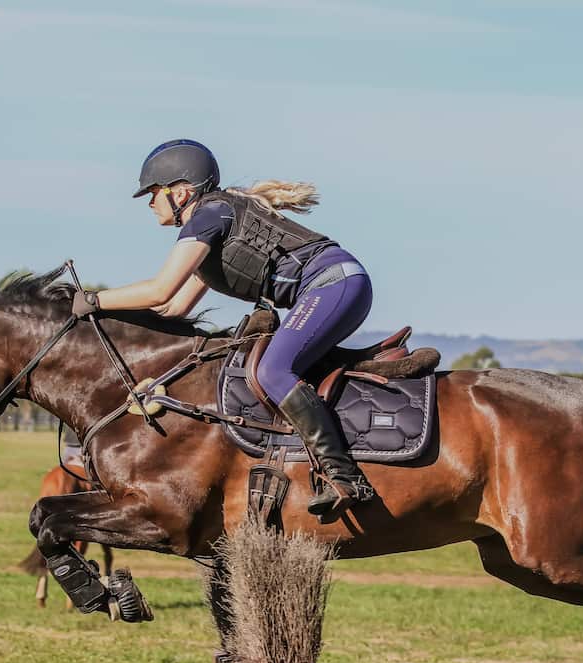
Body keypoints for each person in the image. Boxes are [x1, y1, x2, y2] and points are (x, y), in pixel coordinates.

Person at [71, 139, 375, 516]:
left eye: (153, 192)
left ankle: (341, 475)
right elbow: (172, 307)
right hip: (335, 285)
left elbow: (159, 289)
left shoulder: (210, 215)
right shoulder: (210, 226)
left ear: (181, 191)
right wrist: (108, 322)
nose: (149, 203)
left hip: (334, 283)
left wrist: (95, 299)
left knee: (272, 370)